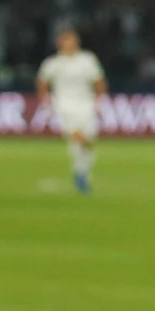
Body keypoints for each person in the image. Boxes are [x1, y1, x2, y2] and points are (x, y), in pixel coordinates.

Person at [35, 29, 107, 193]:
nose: (69, 45)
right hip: (64, 104)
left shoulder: (87, 60)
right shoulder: (53, 63)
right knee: (78, 137)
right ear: (60, 44)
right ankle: (80, 176)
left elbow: (98, 81)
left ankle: (81, 172)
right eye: (65, 42)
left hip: (86, 103)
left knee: (88, 141)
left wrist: (100, 101)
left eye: (71, 41)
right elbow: (42, 81)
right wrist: (45, 100)